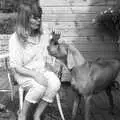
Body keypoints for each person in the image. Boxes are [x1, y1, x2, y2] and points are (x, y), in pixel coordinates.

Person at [9, 1, 61, 120]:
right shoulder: (15, 39)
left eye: (40, 18)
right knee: (39, 86)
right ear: (25, 19)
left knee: (55, 83)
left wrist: (49, 65)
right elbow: (17, 67)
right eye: (35, 18)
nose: (39, 21)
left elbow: (44, 55)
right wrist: (36, 75)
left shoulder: (42, 35)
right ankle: (22, 114)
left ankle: (37, 115)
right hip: (23, 72)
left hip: (40, 69)